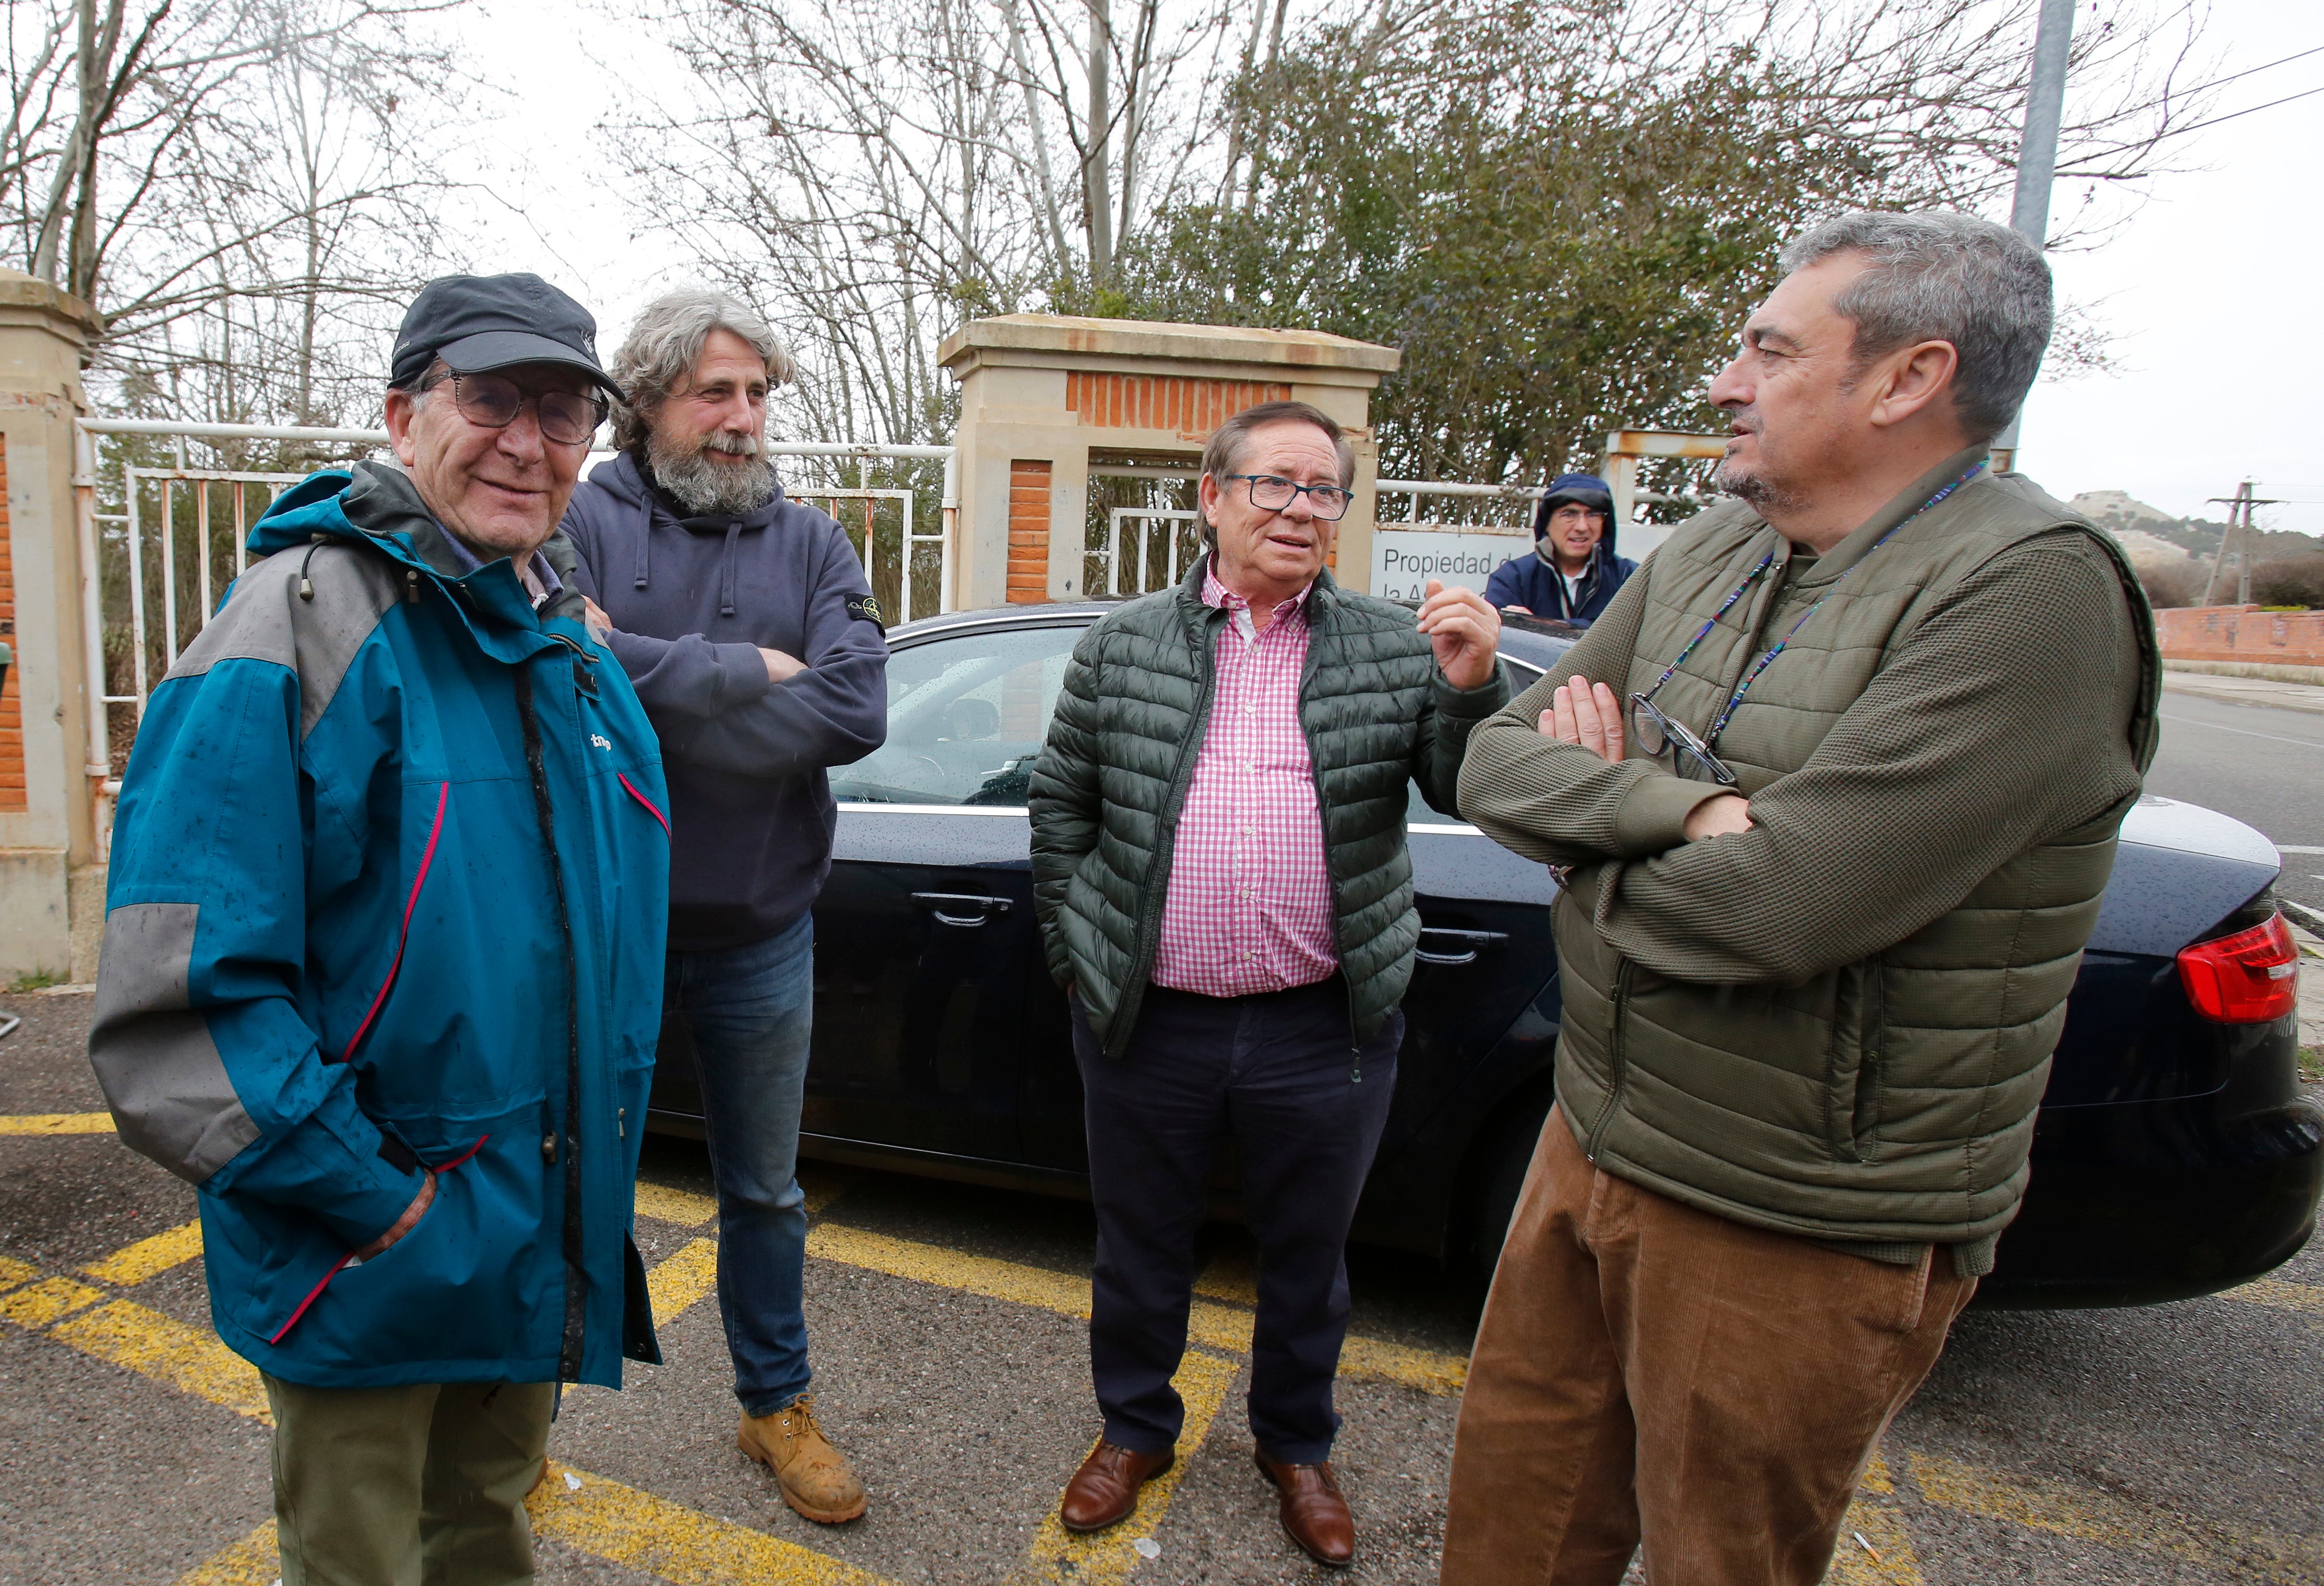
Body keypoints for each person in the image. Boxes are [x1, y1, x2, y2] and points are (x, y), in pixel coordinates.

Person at [1444, 211, 2159, 1585]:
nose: (1723, 382)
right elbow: (1492, 761)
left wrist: (1597, 837)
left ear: (1906, 379)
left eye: (1768, 350)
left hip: (1790, 1219)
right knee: (1509, 1541)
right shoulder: (1716, 546)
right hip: (1590, 1134)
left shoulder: (2031, 596)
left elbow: (1771, 909)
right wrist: (1682, 810)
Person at [88, 274, 670, 1584]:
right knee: (364, 1562)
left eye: (564, 410)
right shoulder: (292, 627)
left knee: (484, 1534)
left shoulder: (562, 647)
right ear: (405, 414)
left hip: (527, 1220)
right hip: (369, 1244)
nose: (528, 440)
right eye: (492, 399)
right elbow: (178, 1010)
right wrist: (385, 1206)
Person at [1026, 399, 1510, 1570]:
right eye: (1275, 485)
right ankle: (1134, 1429)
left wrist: (1469, 687)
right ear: (1211, 494)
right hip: (1153, 1022)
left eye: (1324, 491)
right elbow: (1062, 806)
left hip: (1320, 1023)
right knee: (1139, 1246)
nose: (1301, 509)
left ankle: (1296, 1443)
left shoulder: (1393, 645)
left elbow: (1464, 791)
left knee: (1309, 1254)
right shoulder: (1124, 642)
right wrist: (1079, 950)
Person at [559, 288, 887, 1525]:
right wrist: (744, 671)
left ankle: (774, 1406)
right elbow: (555, 672)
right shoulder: (579, 517)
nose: (744, 417)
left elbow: (858, 710)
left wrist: (634, 678)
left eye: (757, 393)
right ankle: (515, 1417)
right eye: (716, 392)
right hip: (609, 926)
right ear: (648, 403)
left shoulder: (809, 539)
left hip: (762, 930)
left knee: (763, 1193)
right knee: (569, 1170)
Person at [1483, 472, 1634, 624]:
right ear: (1547, 522)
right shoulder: (1513, 580)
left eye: (1593, 514)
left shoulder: (1629, 579)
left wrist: (1539, 626)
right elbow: (1499, 639)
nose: (1582, 527)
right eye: (1569, 514)